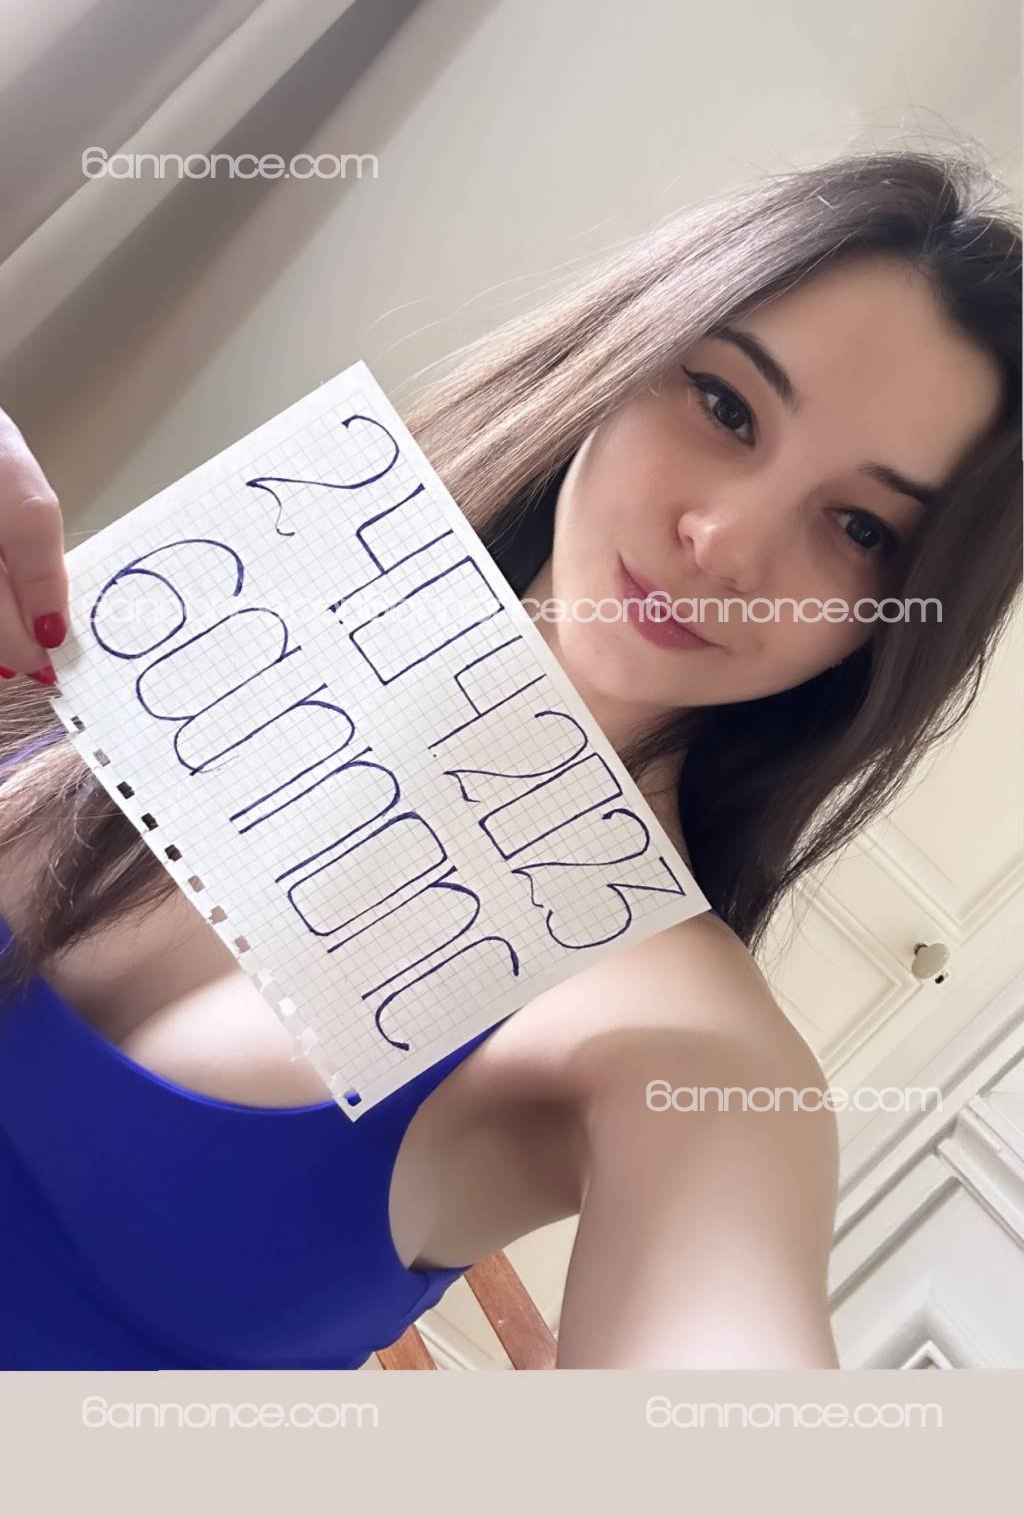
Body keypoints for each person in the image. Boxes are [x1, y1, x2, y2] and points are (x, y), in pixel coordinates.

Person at [0, 148, 1019, 1370]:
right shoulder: (202, 606)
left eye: (860, 528)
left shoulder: (675, 1040)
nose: (721, 540)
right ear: (626, 355)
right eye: (725, 405)